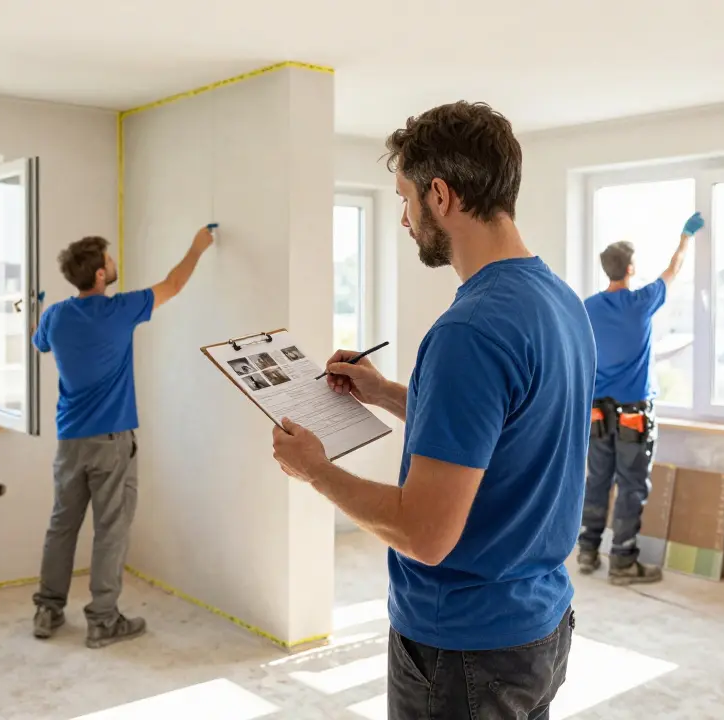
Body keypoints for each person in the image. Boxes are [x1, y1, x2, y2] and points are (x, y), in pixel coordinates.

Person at [270, 101, 595, 719]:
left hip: (465, 650)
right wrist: (387, 393)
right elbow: (510, 429)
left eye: (405, 198)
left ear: (440, 195)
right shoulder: (559, 300)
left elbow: (424, 534)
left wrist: (315, 470)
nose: (404, 218)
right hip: (538, 629)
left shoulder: (468, 331)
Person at [31, 225, 214, 647]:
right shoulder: (120, 309)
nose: (114, 264)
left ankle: (48, 610)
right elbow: (173, 284)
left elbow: (38, 342)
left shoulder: (55, 315)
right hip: (111, 443)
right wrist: (197, 247)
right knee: (110, 530)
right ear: (99, 275)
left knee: (62, 526)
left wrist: (36, 313)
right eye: (109, 261)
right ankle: (103, 620)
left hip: (69, 442)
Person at [575, 213, 703, 585]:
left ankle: (587, 551)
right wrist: (685, 237)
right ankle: (622, 562)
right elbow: (673, 269)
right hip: (633, 412)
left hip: (597, 411)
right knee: (631, 485)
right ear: (630, 269)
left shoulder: (587, 307)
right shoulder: (642, 301)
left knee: (597, 480)